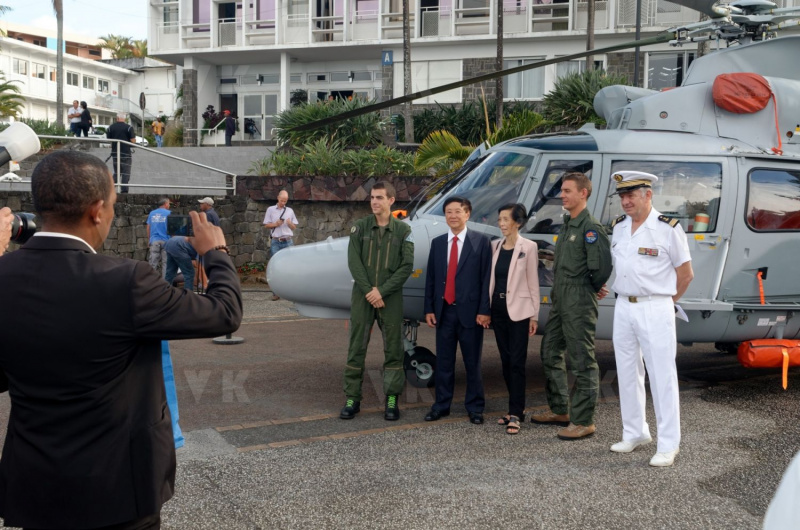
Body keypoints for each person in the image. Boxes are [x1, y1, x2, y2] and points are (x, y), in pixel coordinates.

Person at [0, 150, 242, 529]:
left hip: (36, 489)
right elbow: (224, 312)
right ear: (97, 210)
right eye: (112, 205)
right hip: (118, 491)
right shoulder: (127, 280)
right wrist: (216, 252)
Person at [608, 170, 693, 467]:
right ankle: (635, 432)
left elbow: (686, 274)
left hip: (655, 305)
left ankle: (669, 444)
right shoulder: (619, 228)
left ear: (648, 195)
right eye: (622, 196)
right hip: (623, 305)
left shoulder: (667, 228)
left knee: (662, 376)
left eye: (631, 195)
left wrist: (667, 302)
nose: (625, 202)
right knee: (628, 372)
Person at [531, 172, 612, 440]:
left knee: (582, 360)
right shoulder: (567, 225)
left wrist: (589, 286)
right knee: (550, 350)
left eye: (567, 191)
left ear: (583, 193)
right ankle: (561, 410)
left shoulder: (591, 228)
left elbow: (601, 268)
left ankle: (583, 420)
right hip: (561, 297)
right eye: (562, 191)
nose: (562, 195)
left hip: (578, 300)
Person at [340, 182, 414, 422]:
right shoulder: (359, 228)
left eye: (380, 197)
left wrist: (381, 291)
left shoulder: (403, 231)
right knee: (356, 348)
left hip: (390, 298)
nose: (374, 202)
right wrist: (369, 291)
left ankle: (391, 398)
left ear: (391, 201)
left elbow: (406, 267)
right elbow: (354, 262)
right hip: (362, 297)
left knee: (393, 348)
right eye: (372, 197)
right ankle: (353, 398)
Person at [423, 196, 492, 425]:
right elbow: (431, 278)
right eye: (448, 212)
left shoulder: (481, 242)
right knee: (444, 363)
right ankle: (441, 405)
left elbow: (485, 280)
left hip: (471, 314)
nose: (452, 216)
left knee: (472, 363)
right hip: (444, 312)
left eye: (457, 211)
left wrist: (484, 310)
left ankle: (475, 407)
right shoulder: (438, 243)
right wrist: (429, 308)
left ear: (467, 214)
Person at [489, 203, 540, 435]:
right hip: (498, 309)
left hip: (519, 311)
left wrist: (534, 315)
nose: (501, 224)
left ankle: (517, 413)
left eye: (506, 219)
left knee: (517, 363)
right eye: (499, 219)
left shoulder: (529, 247)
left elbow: (533, 283)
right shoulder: (494, 246)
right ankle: (512, 410)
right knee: (506, 361)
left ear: (517, 222)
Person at [263, 190, 299, 301]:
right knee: (275, 267)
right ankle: (276, 292)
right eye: (282, 200)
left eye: (285, 201)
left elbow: (294, 227)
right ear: (278, 198)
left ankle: (291, 291)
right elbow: (266, 225)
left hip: (288, 241)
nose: (283, 203)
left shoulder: (290, 211)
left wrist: (289, 224)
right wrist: (275, 224)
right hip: (276, 241)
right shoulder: (270, 210)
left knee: (291, 266)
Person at [106, 113, 136, 193]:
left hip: (115, 153)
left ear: (117, 118)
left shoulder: (111, 127)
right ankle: (124, 191)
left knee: (117, 172)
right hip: (126, 153)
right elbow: (133, 141)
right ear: (125, 119)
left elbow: (109, 140)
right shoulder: (129, 128)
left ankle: (109, 189)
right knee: (126, 173)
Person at [146, 198, 171, 277]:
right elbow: (173, 228)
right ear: (165, 204)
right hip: (166, 241)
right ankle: (165, 284)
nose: (169, 205)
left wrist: (149, 239)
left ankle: (151, 282)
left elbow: (148, 227)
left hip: (154, 240)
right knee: (166, 263)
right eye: (169, 204)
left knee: (153, 263)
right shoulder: (169, 213)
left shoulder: (152, 213)